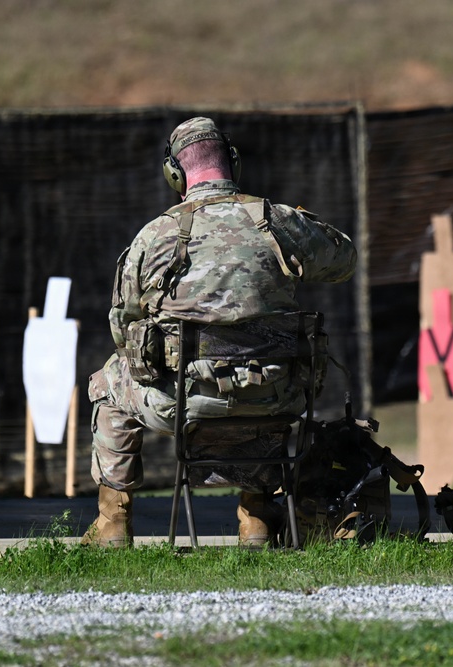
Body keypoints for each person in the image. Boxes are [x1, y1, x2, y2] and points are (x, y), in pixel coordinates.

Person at [81, 117, 357, 548]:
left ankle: (113, 522)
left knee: (108, 380)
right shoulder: (278, 221)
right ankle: (256, 519)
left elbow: (122, 325)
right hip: (277, 397)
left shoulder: (155, 236)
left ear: (174, 173)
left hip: (183, 404)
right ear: (233, 162)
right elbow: (345, 260)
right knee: (262, 389)